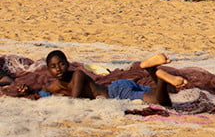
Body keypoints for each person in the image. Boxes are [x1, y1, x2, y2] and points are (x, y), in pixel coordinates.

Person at [44, 50, 187, 107]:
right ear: (48, 69)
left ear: (68, 64)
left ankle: (158, 76)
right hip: (118, 85)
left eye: (61, 64)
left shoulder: (77, 75)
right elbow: (41, 91)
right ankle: (151, 70)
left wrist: (58, 94)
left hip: (117, 93)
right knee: (172, 91)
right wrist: (26, 90)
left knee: (160, 102)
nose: (58, 69)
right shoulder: (54, 86)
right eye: (53, 66)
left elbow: (75, 99)